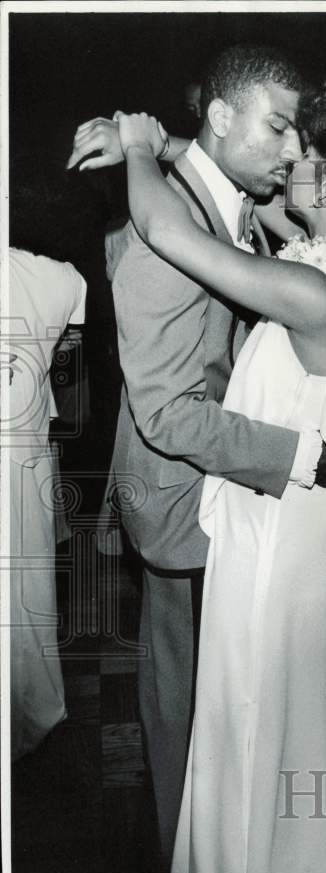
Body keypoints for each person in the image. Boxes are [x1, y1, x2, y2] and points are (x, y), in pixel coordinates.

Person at [67, 47, 326, 873]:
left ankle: (217, 851)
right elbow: (165, 412)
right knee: (184, 696)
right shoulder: (164, 234)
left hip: (216, 487)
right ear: (219, 117)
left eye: (298, 130)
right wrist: (294, 455)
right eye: (277, 126)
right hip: (181, 495)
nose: (292, 149)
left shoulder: (219, 198)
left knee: (213, 692)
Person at [8, 163, 89, 759]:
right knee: (26, 596)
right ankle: (32, 711)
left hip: (24, 456)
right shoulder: (62, 279)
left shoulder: (61, 278)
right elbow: (68, 371)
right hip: (25, 456)